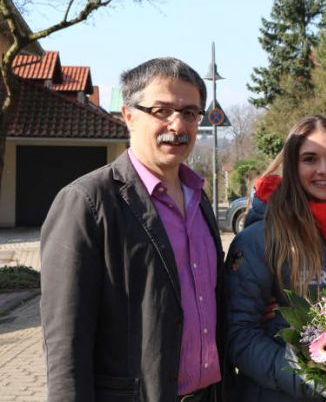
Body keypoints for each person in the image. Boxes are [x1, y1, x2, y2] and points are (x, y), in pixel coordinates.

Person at [40, 58, 231, 401]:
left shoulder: (199, 200)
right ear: (128, 115)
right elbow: (66, 341)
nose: (178, 124)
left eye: (190, 113)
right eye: (162, 110)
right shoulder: (87, 203)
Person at [225, 115, 326, 401]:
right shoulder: (258, 240)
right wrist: (310, 381)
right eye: (309, 159)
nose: (324, 169)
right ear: (292, 168)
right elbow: (239, 336)